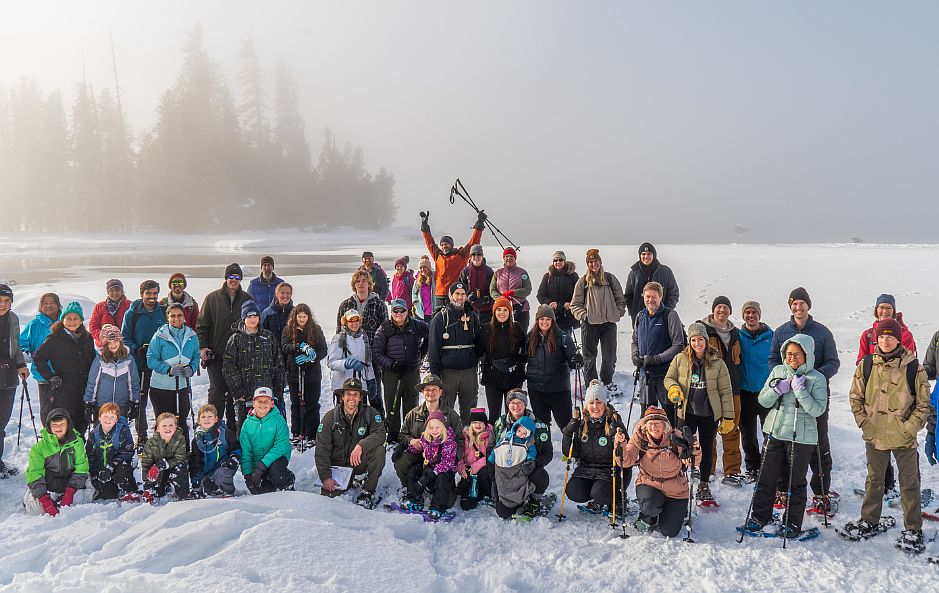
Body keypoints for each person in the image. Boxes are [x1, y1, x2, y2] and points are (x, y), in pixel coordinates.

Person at [841, 318, 931, 551]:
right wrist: (864, 422)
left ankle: (913, 528)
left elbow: (923, 406)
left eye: (890, 336)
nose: (885, 340)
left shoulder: (914, 367)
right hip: (874, 435)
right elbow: (855, 396)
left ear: (899, 339)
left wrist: (908, 429)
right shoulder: (867, 364)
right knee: (874, 480)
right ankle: (869, 520)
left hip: (904, 437)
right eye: (881, 336)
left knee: (909, 483)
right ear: (876, 339)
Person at [742, 335, 827, 538]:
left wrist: (800, 392)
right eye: (789, 354)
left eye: (797, 354)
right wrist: (777, 389)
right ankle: (760, 516)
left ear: (806, 354)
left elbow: (818, 410)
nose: (792, 358)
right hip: (775, 432)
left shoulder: (817, 378)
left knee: (795, 482)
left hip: (801, 438)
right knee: (766, 477)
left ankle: (792, 524)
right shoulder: (778, 371)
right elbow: (762, 400)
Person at [768, 287, 840, 510]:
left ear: (808, 305)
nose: (798, 307)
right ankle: (782, 490)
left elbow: (833, 362)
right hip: (788, 398)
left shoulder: (822, 332)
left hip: (814, 398)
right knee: (785, 443)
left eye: (802, 303)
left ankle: (821, 492)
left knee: (818, 443)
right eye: (794, 304)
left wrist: (813, 379)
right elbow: (773, 360)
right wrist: (782, 379)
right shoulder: (781, 332)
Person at [663, 322, 733, 506]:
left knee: (707, 447)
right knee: (683, 446)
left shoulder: (718, 363)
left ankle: (703, 484)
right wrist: (674, 388)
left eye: (700, 339)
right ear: (689, 341)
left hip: (709, 413)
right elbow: (669, 378)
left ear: (706, 340)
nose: (697, 343)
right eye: (693, 340)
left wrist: (728, 416)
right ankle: (679, 478)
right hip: (687, 411)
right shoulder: (680, 359)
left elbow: (726, 391)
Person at [621, 406, 699, 537]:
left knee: (670, 532)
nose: (654, 427)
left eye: (658, 423)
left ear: (665, 425)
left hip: (676, 488)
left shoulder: (676, 437)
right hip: (649, 483)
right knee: (650, 506)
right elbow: (626, 461)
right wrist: (621, 445)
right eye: (650, 424)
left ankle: (682, 511)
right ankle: (648, 518)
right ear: (646, 425)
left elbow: (691, 462)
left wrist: (694, 449)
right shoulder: (640, 438)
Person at [196, 263, 256, 430]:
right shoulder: (212, 298)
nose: (234, 280)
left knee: (236, 395)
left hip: (240, 358)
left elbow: (254, 327)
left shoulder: (247, 300)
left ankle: (234, 431)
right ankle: (213, 429)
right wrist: (203, 347)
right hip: (217, 356)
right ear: (226, 278)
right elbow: (202, 326)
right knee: (216, 392)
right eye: (231, 277)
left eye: (237, 277)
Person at [315, 377, 386, 507]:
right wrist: (325, 477)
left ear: (360, 398)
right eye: (348, 394)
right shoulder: (330, 417)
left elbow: (380, 434)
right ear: (342, 397)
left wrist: (361, 445)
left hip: (358, 462)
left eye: (355, 394)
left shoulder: (370, 413)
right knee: (328, 502)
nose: (351, 398)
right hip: (338, 467)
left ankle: (367, 490)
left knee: (379, 450)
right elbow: (321, 449)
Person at [561, 382, 627, 515]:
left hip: (610, 470)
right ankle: (595, 499)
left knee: (600, 493)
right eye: (591, 403)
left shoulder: (613, 421)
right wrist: (568, 433)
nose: (595, 407)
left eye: (599, 403)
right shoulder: (581, 424)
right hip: (587, 469)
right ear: (587, 405)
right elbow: (570, 453)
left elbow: (625, 455)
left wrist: (617, 436)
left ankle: (617, 500)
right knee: (573, 492)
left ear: (605, 405)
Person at [699, 296, 744, 487]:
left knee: (732, 429)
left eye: (726, 307)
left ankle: (732, 470)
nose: (722, 311)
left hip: (732, 388)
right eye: (719, 307)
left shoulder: (736, 333)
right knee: (708, 430)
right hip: (710, 389)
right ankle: (706, 468)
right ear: (713, 310)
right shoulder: (703, 330)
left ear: (730, 311)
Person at [34, 302, 96, 436]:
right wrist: (50, 377)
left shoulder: (87, 338)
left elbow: (92, 360)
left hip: (83, 390)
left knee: (81, 425)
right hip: (63, 391)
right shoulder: (55, 338)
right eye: (69, 318)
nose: (72, 322)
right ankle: (63, 456)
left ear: (81, 320)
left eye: (76, 318)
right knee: (64, 426)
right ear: (63, 320)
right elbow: (39, 358)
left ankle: (78, 454)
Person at [488, 389, 553, 519]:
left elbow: (547, 453)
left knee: (541, 475)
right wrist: (494, 480)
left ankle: (534, 501)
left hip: (527, 471)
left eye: (519, 402)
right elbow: (491, 449)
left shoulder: (538, 425)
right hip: (505, 474)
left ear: (525, 404)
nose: (516, 406)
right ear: (508, 404)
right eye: (512, 402)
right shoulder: (500, 424)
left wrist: (535, 463)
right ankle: (517, 499)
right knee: (503, 513)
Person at [223, 300, 285, 432]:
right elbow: (228, 368)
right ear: (243, 318)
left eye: (255, 317)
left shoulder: (268, 337)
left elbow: (279, 365)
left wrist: (278, 390)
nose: (252, 320)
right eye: (249, 317)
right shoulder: (235, 339)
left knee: (268, 429)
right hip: (245, 395)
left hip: (266, 395)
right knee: (246, 429)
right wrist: (237, 391)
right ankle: (245, 453)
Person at [394, 374, 464, 493]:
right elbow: (402, 435)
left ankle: (433, 485)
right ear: (422, 392)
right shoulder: (413, 414)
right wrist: (411, 441)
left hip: (442, 462)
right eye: (427, 389)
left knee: (448, 502)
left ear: (440, 392)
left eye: (434, 390)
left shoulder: (451, 415)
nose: (430, 393)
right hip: (419, 454)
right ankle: (409, 488)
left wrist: (453, 459)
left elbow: (460, 439)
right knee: (401, 460)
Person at [570, 249, 627, 393]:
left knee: (609, 356)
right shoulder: (582, 282)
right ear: (588, 264)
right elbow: (575, 305)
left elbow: (621, 300)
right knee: (589, 357)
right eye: (591, 262)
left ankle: (607, 382)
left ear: (600, 262)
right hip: (589, 325)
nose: (594, 264)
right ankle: (592, 385)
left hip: (608, 324)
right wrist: (585, 316)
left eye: (596, 261)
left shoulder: (610, 279)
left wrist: (617, 312)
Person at [373, 299, 429, 443]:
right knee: (392, 403)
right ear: (391, 312)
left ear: (407, 311)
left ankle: (409, 433)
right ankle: (393, 433)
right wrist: (392, 364)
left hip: (412, 372)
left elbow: (430, 336)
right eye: (395, 311)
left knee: (412, 403)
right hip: (392, 373)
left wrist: (420, 356)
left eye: (402, 310)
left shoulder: (416, 325)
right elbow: (377, 353)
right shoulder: (384, 328)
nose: (399, 314)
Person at [630, 281, 685, 427]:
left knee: (669, 416)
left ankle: (671, 446)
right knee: (647, 418)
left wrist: (657, 359)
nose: (650, 300)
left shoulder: (670, 315)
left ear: (661, 297)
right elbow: (634, 341)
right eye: (647, 296)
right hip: (645, 375)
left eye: (654, 296)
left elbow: (678, 345)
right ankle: (648, 448)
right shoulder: (640, 316)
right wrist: (635, 355)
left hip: (665, 375)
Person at [147, 303, 200, 446]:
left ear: (184, 317)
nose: (176, 319)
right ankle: (160, 454)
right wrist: (168, 370)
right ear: (167, 317)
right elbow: (151, 359)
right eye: (173, 316)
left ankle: (184, 454)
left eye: (179, 315)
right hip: (161, 388)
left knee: (181, 421)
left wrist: (192, 368)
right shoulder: (160, 335)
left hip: (182, 386)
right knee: (164, 423)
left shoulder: (191, 335)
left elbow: (196, 355)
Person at [428, 282, 481, 425]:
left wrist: (477, 359)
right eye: (457, 294)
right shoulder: (441, 317)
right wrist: (435, 374)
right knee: (445, 408)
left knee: (469, 408)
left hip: (469, 370)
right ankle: (445, 439)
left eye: (463, 294)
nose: (460, 297)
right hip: (448, 372)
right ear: (451, 295)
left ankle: (469, 440)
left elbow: (479, 342)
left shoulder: (472, 316)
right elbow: (433, 347)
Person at [121, 279, 166, 445]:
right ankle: (142, 435)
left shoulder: (163, 311)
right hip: (139, 365)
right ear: (142, 295)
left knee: (160, 401)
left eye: (155, 293)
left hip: (159, 366)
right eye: (149, 293)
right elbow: (125, 336)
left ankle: (162, 433)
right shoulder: (132, 313)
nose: (152, 297)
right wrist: (135, 349)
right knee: (140, 402)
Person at [24, 409, 93, 515]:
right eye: (54, 425)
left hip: (70, 483)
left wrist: (69, 493)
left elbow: (81, 468)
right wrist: (45, 500)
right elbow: (35, 472)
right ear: (49, 426)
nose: (58, 428)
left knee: (80, 505)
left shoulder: (77, 442)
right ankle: (31, 494)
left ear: (68, 425)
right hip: (49, 484)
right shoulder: (39, 447)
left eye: (62, 424)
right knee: (35, 511)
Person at [336, 269, 389, 406]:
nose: (361, 284)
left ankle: (377, 425)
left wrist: (380, 355)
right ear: (354, 285)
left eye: (364, 281)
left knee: (374, 395)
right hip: (350, 358)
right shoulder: (345, 305)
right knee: (350, 394)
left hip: (372, 357)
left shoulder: (379, 304)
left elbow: (385, 333)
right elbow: (339, 331)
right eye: (358, 281)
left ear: (370, 284)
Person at [525, 305, 581, 432]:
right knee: (541, 428)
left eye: (548, 319)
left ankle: (570, 451)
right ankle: (546, 451)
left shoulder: (563, 338)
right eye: (542, 319)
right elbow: (522, 358)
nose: (544, 322)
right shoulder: (529, 338)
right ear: (537, 320)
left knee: (566, 427)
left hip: (559, 390)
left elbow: (573, 363)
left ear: (553, 321)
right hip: (537, 390)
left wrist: (577, 359)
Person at [281, 303, 328, 448]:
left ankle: (312, 434)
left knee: (312, 405)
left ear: (309, 317)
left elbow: (323, 350)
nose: (302, 319)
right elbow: (284, 346)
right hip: (295, 374)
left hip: (312, 374)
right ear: (295, 316)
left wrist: (311, 357)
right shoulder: (288, 329)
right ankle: (297, 432)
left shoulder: (316, 329)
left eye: (304, 317)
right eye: (299, 316)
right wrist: (299, 346)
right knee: (296, 404)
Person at [421, 210, 485, 311]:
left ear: (451, 245)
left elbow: (473, 243)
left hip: (456, 294)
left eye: (446, 244)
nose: (444, 246)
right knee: (440, 321)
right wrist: (425, 228)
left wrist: (479, 226)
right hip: (440, 295)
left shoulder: (460, 255)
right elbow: (430, 243)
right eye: (442, 245)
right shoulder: (438, 255)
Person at [476, 296, 526, 424]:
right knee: (494, 415)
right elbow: (478, 351)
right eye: (499, 310)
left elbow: (526, 349)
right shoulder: (486, 329)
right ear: (494, 312)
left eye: (505, 309)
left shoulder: (516, 328)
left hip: (513, 377)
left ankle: (515, 440)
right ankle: (495, 442)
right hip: (492, 378)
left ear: (510, 312)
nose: (502, 313)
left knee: (515, 414)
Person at [738, 300, 773, 482]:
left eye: (754, 313)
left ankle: (768, 465)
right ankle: (752, 466)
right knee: (748, 432)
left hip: (766, 391)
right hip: (744, 391)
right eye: (747, 313)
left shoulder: (771, 336)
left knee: (769, 430)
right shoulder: (738, 336)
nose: (751, 316)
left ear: (759, 315)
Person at [240, 386, 295, 494]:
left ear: (272, 403)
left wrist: (261, 467)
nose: (263, 404)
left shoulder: (279, 420)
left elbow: (281, 446)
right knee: (263, 491)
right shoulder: (247, 424)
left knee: (277, 474)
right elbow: (245, 451)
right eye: (259, 401)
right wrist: (248, 475)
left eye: (266, 401)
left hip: (277, 458)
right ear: (254, 403)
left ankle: (288, 485)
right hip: (258, 462)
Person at [0, 284, 30, 477]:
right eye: (0, 300)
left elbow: (16, 345)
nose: (2, 304)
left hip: (7, 375)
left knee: (1, 421)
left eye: (6, 301)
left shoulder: (12, 319)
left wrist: (21, 364)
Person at [405, 410, 457, 519]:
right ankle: (414, 500)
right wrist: (406, 447)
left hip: (443, 473)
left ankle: (437, 508)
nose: (434, 431)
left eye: (437, 428)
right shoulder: (426, 439)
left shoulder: (449, 442)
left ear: (442, 427)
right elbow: (420, 450)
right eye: (431, 428)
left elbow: (447, 463)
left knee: (441, 478)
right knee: (413, 470)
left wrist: (430, 475)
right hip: (429, 470)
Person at [83, 324, 140, 421]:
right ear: (105, 344)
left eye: (115, 341)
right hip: (102, 404)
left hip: (121, 404)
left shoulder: (128, 359)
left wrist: (135, 401)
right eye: (109, 342)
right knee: (101, 430)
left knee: (120, 430)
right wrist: (89, 402)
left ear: (120, 341)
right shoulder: (100, 360)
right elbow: (92, 382)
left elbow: (133, 382)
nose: (113, 345)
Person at [85, 402, 138, 501]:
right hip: (100, 468)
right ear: (99, 417)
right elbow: (90, 455)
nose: (108, 420)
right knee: (107, 495)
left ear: (116, 419)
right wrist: (94, 475)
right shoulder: (94, 434)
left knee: (123, 470)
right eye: (105, 416)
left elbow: (127, 451)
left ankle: (128, 490)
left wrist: (111, 465)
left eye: (112, 417)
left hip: (116, 465)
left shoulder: (122, 431)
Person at [328, 309, 379, 410]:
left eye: (357, 320)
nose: (354, 323)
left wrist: (371, 380)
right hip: (343, 385)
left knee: (360, 415)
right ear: (345, 322)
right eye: (351, 320)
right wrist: (346, 363)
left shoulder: (364, 338)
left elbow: (367, 362)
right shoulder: (339, 338)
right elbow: (332, 362)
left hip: (360, 385)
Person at [189, 404, 241, 497]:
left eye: (210, 416)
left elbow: (235, 448)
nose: (206, 419)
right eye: (203, 417)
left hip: (224, 468)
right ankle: (211, 486)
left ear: (216, 419)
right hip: (208, 472)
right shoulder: (197, 440)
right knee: (209, 491)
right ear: (198, 421)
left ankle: (228, 492)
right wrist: (196, 484)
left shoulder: (225, 434)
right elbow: (196, 463)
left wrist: (233, 459)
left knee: (221, 475)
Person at [623, 243, 680, 325]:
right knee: (640, 338)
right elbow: (628, 296)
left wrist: (666, 310)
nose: (646, 257)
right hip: (640, 318)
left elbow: (673, 293)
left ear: (654, 255)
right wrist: (633, 312)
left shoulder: (665, 271)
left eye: (649, 254)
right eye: (643, 254)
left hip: (661, 318)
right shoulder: (634, 273)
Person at [140, 412, 190, 502]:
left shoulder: (180, 439)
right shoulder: (150, 443)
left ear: (175, 427)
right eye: (164, 425)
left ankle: (182, 495)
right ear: (158, 429)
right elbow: (146, 463)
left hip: (172, 468)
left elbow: (180, 458)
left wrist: (165, 464)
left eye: (171, 425)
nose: (168, 428)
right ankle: (163, 485)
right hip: (157, 471)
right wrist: (147, 483)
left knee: (180, 468)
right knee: (159, 493)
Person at [857, 294, 916, 364]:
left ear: (893, 310)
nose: (885, 311)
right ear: (876, 309)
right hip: (873, 374)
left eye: (889, 308)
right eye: (881, 307)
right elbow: (861, 363)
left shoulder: (905, 335)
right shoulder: (868, 335)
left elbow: (908, 362)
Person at [19, 292, 61, 385]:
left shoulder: (65, 324)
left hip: (63, 373)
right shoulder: (34, 324)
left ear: (58, 305)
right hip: (42, 372)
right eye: (45, 303)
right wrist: (26, 352)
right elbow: (22, 342)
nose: (48, 306)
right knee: (46, 399)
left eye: (52, 303)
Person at [456, 408, 493, 510]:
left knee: (485, 471)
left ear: (485, 424)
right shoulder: (466, 437)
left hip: (482, 471)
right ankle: (471, 491)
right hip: (470, 472)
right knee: (466, 506)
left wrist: (476, 466)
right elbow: (460, 456)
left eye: (481, 422)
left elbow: (491, 455)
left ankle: (487, 494)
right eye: (475, 422)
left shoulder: (490, 436)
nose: (478, 425)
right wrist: (461, 467)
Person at [489, 247, 533, 333]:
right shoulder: (498, 273)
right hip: (502, 309)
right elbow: (492, 290)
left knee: (520, 334)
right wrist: (501, 299)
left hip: (520, 307)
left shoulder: (522, 273)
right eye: (507, 256)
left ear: (515, 258)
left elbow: (527, 289)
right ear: (504, 258)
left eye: (511, 256)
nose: (509, 258)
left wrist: (514, 292)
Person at [536, 250, 580, 332]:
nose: (558, 262)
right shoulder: (547, 276)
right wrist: (549, 302)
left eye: (560, 260)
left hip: (567, 314)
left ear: (564, 261)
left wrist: (571, 303)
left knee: (565, 339)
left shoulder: (572, 275)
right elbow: (540, 295)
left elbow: (579, 294)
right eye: (555, 260)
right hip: (552, 314)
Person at [88, 279, 131, 348]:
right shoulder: (100, 307)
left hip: (124, 345)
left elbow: (135, 327)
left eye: (117, 290)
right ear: (108, 292)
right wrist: (105, 336)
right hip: (104, 347)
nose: (114, 293)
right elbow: (93, 327)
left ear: (122, 291)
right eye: (112, 290)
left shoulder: (130, 306)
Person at [460, 244, 494, 325]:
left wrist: (486, 299)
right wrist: (467, 298)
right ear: (470, 257)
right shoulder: (465, 272)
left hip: (487, 311)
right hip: (470, 310)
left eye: (479, 254)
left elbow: (494, 291)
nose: (476, 257)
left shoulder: (489, 271)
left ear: (482, 256)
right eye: (473, 255)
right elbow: (460, 291)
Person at [260, 282, 294, 347]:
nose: (285, 296)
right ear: (276, 294)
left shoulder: (295, 313)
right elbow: (261, 334)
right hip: (272, 353)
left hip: (290, 353)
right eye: (282, 293)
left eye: (288, 293)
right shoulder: (267, 313)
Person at [412, 256, 435, 322]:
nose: (423, 269)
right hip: (421, 311)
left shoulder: (434, 278)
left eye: (424, 267)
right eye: (421, 268)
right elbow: (414, 292)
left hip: (432, 311)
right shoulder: (418, 280)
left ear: (429, 268)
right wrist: (415, 303)